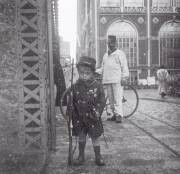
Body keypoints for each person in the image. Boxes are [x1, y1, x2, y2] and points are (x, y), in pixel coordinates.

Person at [66, 56, 106, 166]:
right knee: (81, 136)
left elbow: (102, 100)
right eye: (82, 72)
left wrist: (97, 111)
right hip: (79, 117)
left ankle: (98, 156)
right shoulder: (75, 86)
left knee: (95, 137)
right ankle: (81, 156)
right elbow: (71, 101)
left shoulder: (97, 86)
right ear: (78, 72)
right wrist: (69, 113)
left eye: (87, 73)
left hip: (93, 117)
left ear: (92, 72)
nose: (84, 75)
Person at [97, 35, 129, 123]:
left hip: (117, 80)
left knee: (117, 98)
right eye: (109, 43)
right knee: (111, 99)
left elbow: (124, 67)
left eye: (112, 43)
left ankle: (119, 115)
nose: (110, 44)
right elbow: (103, 68)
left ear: (115, 43)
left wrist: (124, 77)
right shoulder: (105, 55)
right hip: (107, 79)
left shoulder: (120, 54)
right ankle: (114, 115)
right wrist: (96, 71)